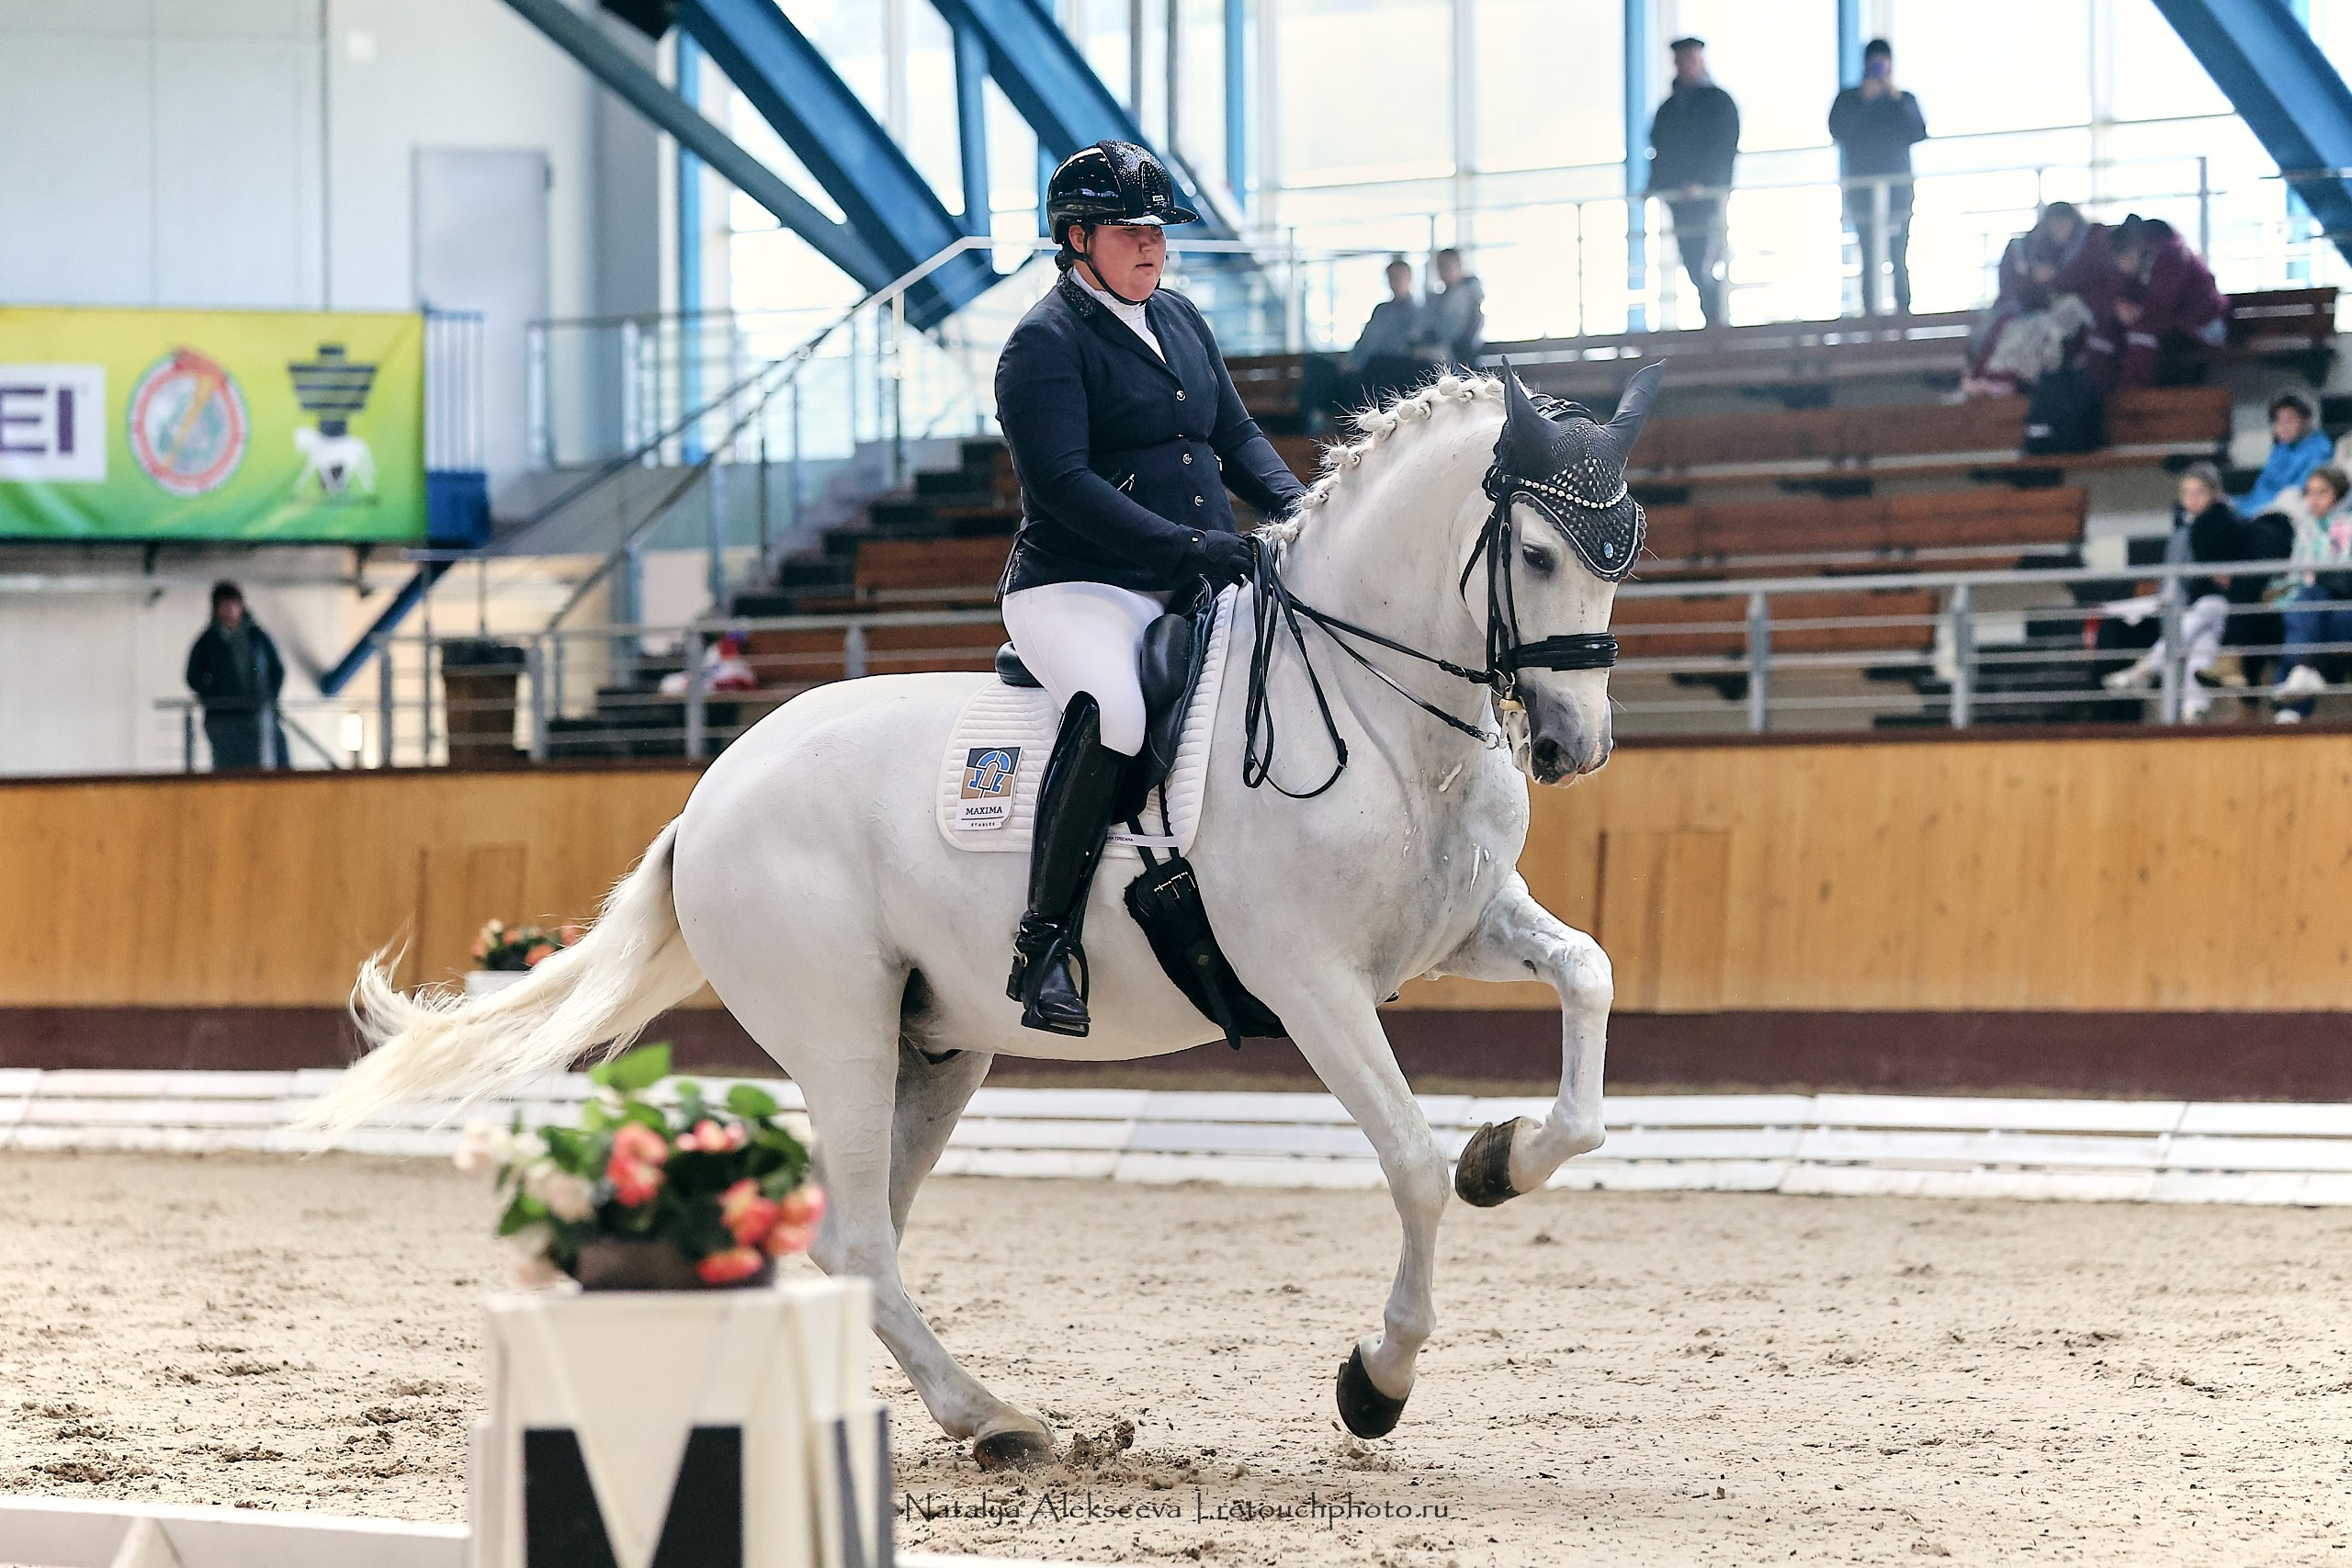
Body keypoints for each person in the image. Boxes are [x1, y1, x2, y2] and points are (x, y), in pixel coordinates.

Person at [992, 140, 1308, 1036]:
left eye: (1158, 233)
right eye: (1131, 232)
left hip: (1186, 569)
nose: (1151, 247)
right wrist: (1189, 547)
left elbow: (1237, 436)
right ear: (1078, 237)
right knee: (1119, 711)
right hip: (1079, 585)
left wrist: (1304, 514)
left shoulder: (1178, 318)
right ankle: (1043, 944)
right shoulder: (1041, 344)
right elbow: (1060, 483)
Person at [2103, 462, 2244, 720]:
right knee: (2195, 652)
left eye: (2199, 493)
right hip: (2191, 606)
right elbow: (2174, 574)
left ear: (2214, 493)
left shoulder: (2228, 522)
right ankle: (2193, 712)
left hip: (2220, 604)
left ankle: (2142, 669)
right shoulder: (2182, 529)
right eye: (2186, 493)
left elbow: (2224, 576)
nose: (2191, 500)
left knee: (2198, 617)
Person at [1964, 202, 2118, 396]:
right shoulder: (2034, 247)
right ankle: (1999, 378)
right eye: (2054, 225)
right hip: (2039, 314)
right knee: (2015, 329)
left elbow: (2093, 278)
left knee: (2048, 330)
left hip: (2082, 311)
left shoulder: (2093, 240)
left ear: (2073, 222)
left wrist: (2056, 278)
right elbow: (2021, 294)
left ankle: (2014, 379)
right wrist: (2036, 280)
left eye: (2063, 224)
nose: (2059, 230)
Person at [1828, 39, 1928, 316]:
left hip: (1898, 190)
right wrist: (1865, 100)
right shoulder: (1849, 100)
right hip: (1861, 190)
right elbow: (1837, 130)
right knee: (1869, 254)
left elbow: (1918, 131)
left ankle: (1903, 311)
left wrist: (1894, 98)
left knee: (1899, 253)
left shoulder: (1903, 100)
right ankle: (1870, 313)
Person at [1645, 35, 1740, 328]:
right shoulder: (1671, 108)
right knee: (1691, 260)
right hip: (1681, 200)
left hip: (1709, 198)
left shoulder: (1719, 103)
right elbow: (1661, 150)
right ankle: (1713, 317)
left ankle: (1716, 317)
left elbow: (1724, 148)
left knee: (1705, 259)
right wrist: (1654, 184)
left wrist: (1705, 183)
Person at [2109, 214, 2230, 389]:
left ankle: (2134, 400)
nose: (2120, 264)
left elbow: (2163, 307)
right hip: (2180, 326)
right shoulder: (2148, 261)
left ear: (2136, 249)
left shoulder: (2171, 255)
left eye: (2123, 256)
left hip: (2204, 326)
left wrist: (2137, 313)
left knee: (2142, 336)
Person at [2271, 464, 2352, 721]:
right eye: (2309, 492)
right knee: (2302, 608)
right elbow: (2296, 573)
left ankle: (2292, 702)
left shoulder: (2349, 526)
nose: (2313, 500)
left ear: (2338, 495)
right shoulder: (2305, 528)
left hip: (2344, 607)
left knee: (2308, 604)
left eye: (2322, 492)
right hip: (2312, 609)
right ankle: (2303, 675)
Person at [184, 581, 285, 770]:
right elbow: (192, 675)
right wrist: (211, 696)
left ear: (241, 606)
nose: (230, 609)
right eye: (224, 605)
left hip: (255, 714)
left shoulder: (257, 637)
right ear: (216, 609)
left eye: (233, 604)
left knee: (258, 768)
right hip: (222, 717)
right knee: (225, 769)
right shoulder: (207, 641)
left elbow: (277, 670)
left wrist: (269, 698)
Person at [2244, 390, 2334, 517]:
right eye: (2278, 421)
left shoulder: (2320, 450)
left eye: (2289, 420)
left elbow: (2300, 492)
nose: (2282, 427)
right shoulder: (2281, 447)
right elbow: (2263, 485)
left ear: (2306, 420)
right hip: (2258, 505)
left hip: (2288, 512)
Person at [1349, 256, 1425, 402]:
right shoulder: (1381, 310)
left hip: (1391, 367)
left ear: (1410, 279)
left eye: (1399, 276)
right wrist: (1352, 360)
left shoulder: (1417, 312)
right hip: (1369, 364)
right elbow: (1365, 341)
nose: (1395, 281)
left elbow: (1406, 345)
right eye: (1392, 277)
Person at [1419, 247, 1485, 369]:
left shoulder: (1470, 297)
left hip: (1462, 361)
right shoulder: (1438, 300)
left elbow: (1466, 339)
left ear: (1459, 265)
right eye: (1440, 266)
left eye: (1447, 266)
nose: (1443, 271)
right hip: (1444, 359)